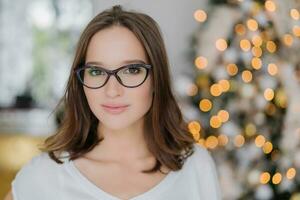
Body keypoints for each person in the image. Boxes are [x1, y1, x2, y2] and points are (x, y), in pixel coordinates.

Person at [5, 5, 221, 200]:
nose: (112, 90)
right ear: (82, 82)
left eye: (132, 70)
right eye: (97, 71)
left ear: (157, 79)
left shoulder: (196, 167)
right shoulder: (45, 176)